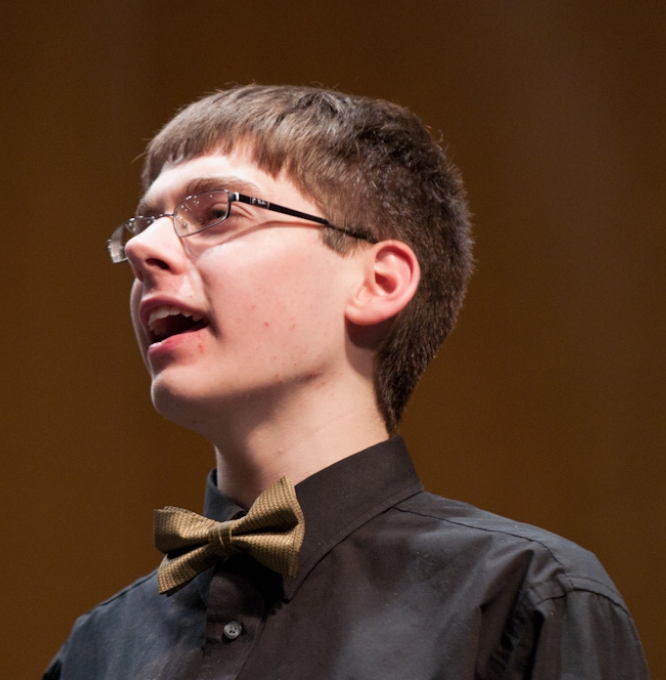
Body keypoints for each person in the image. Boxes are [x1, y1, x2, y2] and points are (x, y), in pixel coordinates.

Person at [44, 84, 649, 679]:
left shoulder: (522, 597)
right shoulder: (99, 649)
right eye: (142, 225)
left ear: (377, 283)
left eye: (219, 211)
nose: (145, 249)